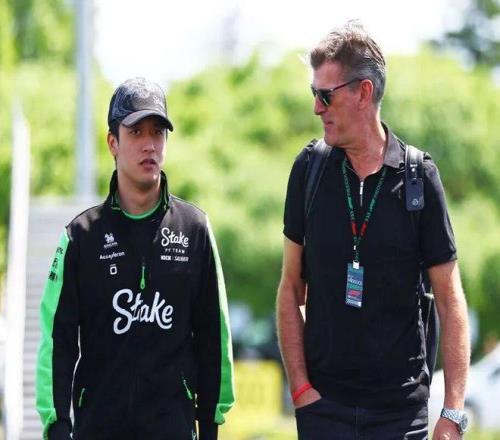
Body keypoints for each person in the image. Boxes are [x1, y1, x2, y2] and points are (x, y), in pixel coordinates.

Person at [276, 21, 470, 439]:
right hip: (323, 410)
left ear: (363, 93)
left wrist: (453, 413)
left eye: (325, 95)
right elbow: (290, 287)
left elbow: (450, 298)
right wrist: (301, 389)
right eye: (313, 93)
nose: (316, 108)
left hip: (400, 415)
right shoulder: (309, 169)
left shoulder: (419, 178)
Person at [36, 77, 234, 440]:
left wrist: (210, 424)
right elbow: (57, 340)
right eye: (136, 132)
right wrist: (58, 425)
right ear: (113, 142)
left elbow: (214, 337)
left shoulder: (195, 229)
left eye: (158, 132)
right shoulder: (80, 236)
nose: (149, 145)